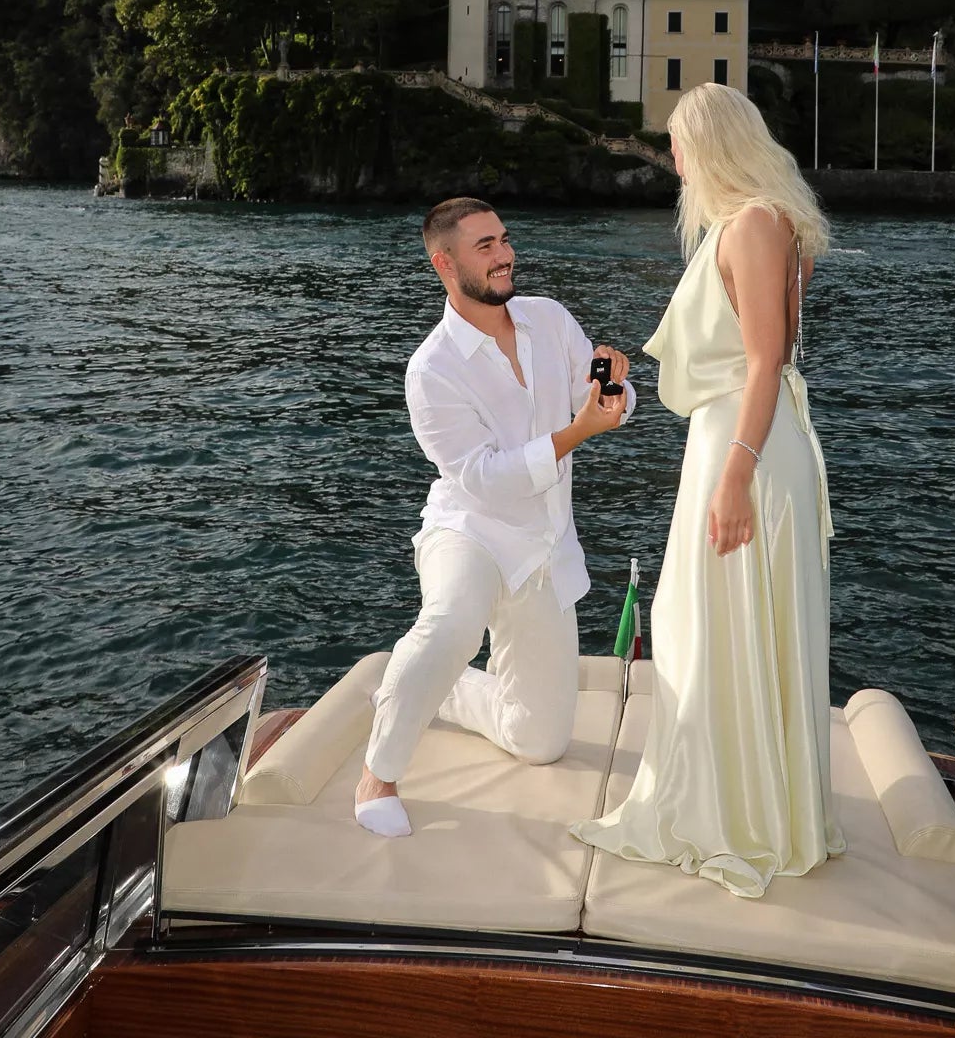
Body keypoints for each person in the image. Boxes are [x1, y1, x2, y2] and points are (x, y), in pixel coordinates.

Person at [573, 83, 842, 897]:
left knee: (716, 624)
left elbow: (764, 361)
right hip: (739, 440)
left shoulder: (755, 224)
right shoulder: (754, 222)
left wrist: (734, 475)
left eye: (680, 142)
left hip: (744, 447)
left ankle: (739, 819)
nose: (674, 158)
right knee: (713, 625)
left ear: (710, 145)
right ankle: (755, 804)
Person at [356, 196, 634, 837]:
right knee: (452, 621)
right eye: (486, 246)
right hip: (471, 530)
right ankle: (379, 772)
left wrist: (612, 388)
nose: (506, 254)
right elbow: (485, 478)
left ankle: (438, 687)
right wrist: (578, 434)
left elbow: (599, 400)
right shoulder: (431, 371)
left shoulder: (550, 319)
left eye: (504, 239)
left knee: (539, 742)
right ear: (444, 262)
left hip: (544, 541)